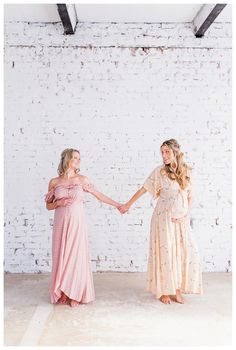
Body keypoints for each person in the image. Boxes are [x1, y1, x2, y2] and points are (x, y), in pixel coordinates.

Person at [119, 139, 203, 304]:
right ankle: (164, 290)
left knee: (182, 252)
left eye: (167, 152)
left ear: (175, 152)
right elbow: (144, 188)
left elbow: (190, 195)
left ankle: (177, 289)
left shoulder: (187, 171)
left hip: (181, 220)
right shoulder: (159, 172)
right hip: (163, 218)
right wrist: (128, 204)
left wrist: (186, 214)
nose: (164, 156)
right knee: (165, 253)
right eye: (162, 152)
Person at [45, 148, 121, 307]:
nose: (78, 161)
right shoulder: (54, 182)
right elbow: (48, 206)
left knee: (76, 257)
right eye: (75, 158)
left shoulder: (82, 179)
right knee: (61, 256)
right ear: (67, 160)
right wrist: (58, 203)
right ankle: (63, 292)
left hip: (77, 224)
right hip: (60, 224)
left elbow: (99, 195)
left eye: (79, 158)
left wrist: (118, 205)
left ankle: (75, 293)